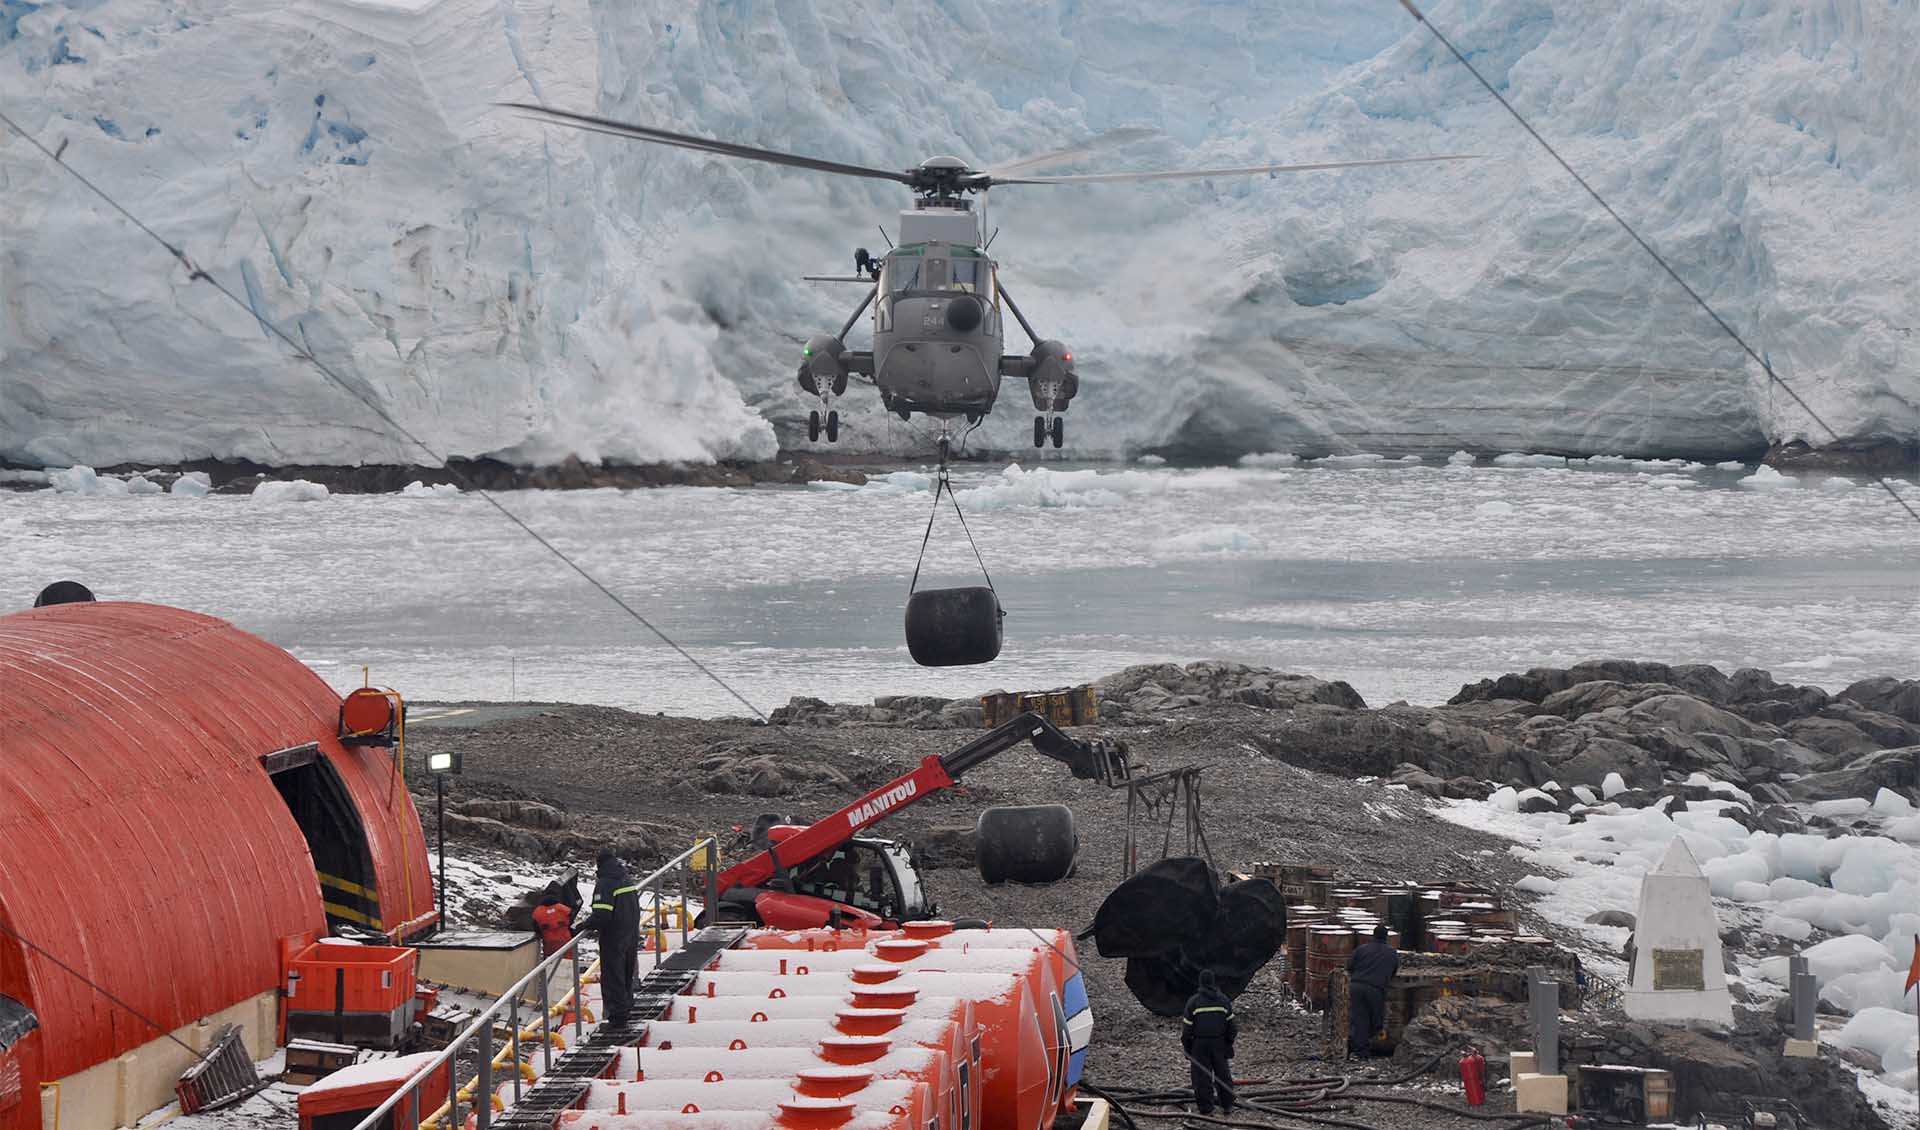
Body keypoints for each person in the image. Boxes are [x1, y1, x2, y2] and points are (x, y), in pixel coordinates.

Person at [581, 849, 642, 1026]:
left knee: (613, 975)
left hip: (614, 936)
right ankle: (626, 1006)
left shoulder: (606, 882)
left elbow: (602, 915)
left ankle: (617, 1016)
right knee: (626, 973)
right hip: (630, 933)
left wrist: (584, 925)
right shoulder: (626, 878)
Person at [1181, 968, 1237, 1116]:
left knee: (1201, 1077)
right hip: (1219, 1043)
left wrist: (1188, 1048)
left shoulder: (1193, 1002)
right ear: (1213, 982)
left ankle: (1206, 1109)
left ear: (1200, 983)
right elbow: (1232, 1027)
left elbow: (1186, 1031)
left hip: (1200, 1045)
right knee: (1223, 1074)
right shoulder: (1224, 1000)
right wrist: (1227, 1043)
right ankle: (1227, 1105)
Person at [1347, 925, 1400, 1057]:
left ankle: (1358, 1047)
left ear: (1373, 935)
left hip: (1356, 986)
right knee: (1376, 1020)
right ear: (1386, 937)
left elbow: (1349, 966)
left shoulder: (1361, 949)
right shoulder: (1392, 953)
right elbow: (1393, 972)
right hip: (1375, 989)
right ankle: (1365, 1049)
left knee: (1359, 1018)